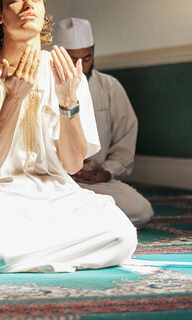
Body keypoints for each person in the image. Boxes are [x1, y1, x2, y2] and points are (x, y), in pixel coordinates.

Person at [0, 0, 137, 273]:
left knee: (122, 236)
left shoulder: (68, 75)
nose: (28, 4)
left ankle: (28, 247)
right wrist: (13, 99)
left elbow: (71, 165)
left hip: (57, 190)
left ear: (44, 15)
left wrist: (68, 103)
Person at [52, 18, 154, 229]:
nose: (79, 66)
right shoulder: (43, 85)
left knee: (141, 211)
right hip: (54, 181)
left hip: (95, 183)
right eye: (72, 59)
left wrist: (107, 171)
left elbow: (125, 140)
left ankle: (69, 225)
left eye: (87, 58)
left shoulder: (109, 86)